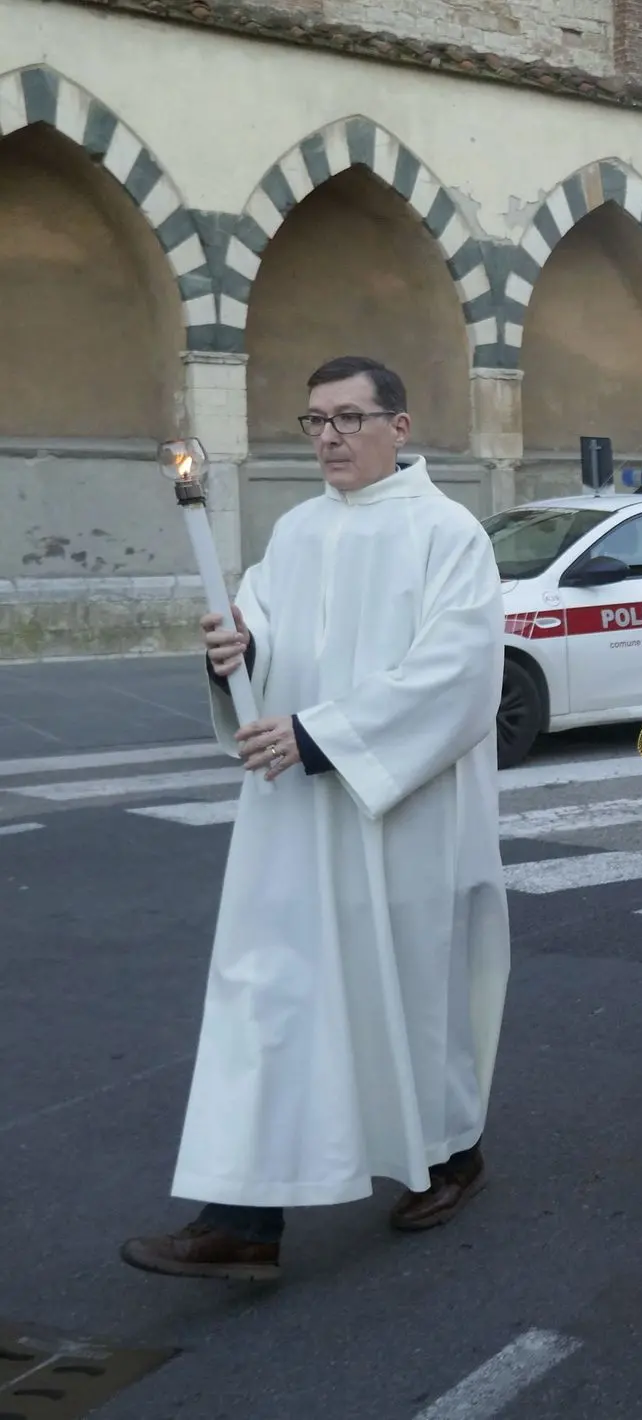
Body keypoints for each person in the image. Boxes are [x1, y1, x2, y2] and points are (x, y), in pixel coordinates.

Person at [122, 356, 508, 1281]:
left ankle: (450, 1154)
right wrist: (236, 652)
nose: (328, 437)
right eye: (314, 422)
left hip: (402, 813)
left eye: (347, 418)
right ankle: (243, 1220)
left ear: (399, 427)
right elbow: (257, 640)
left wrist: (324, 735)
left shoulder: (448, 535)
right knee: (272, 995)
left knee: (408, 999)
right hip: (293, 813)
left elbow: (456, 675)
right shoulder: (293, 533)